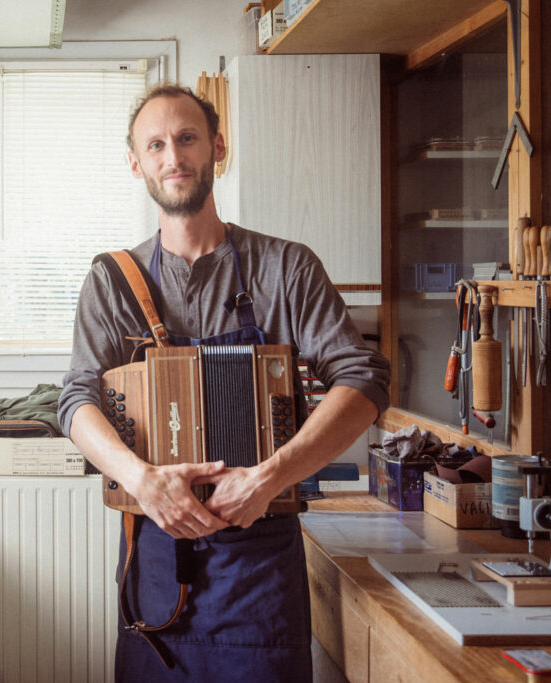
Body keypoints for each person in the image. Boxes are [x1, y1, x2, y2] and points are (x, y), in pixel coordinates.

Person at [58, 83, 390, 681]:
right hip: (153, 559)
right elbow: (76, 398)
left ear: (217, 147)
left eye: (187, 139)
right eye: (155, 144)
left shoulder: (287, 267)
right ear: (136, 163)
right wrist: (142, 480)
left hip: (260, 570)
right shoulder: (111, 281)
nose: (173, 156)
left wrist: (269, 479)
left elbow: (363, 381)